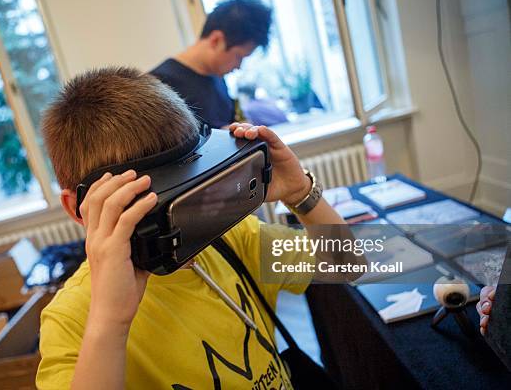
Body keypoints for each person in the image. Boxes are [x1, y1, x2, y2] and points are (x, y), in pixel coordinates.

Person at [36, 67, 362, 389]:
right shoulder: (73, 322)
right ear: (78, 209)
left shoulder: (228, 237)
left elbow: (349, 263)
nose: (183, 226)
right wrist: (110, 323)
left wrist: (300, 192)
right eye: (151, 208)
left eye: (190, 187)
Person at [150, 0, 272, 128]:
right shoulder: (159, 85)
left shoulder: (217, 76)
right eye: (238, 56)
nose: (238, 66)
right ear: (216, 40)